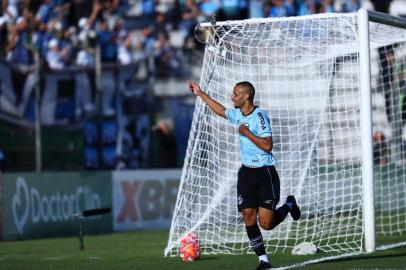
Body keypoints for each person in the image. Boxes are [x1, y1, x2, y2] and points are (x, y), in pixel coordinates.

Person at [188, 81, 301, 270]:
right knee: (248, 215)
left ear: (246, 96)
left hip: (265, 173)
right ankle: (263, 260)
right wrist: (200, 93)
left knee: (266, 224)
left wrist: (246, 132)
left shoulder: (260, 116)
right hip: (247, 173)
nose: (232, 97)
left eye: (236, 94)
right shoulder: (238, 114)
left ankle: (289, 204)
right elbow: (221, 111)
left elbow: (267, 145)